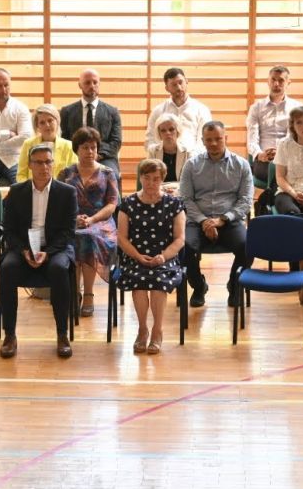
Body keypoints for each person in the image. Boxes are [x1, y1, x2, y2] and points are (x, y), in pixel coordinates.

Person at [0, 143, 79, 359]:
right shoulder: (16, 192)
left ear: (53, 164)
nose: (44, 166)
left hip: (55, 248)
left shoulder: (67, 192)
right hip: (24, 246)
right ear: (30, 165)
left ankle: (62, 334)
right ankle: (10, 335)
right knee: (7, 268)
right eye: (39, 162)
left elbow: (68, 232)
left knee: (59, 269)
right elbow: (9, 230)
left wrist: (48, 253)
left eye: (48, 162)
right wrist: (24, 251)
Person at [180, 121, 254, 308]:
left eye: (218, 139)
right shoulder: (191, 165)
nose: (213, 143)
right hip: (198, 221)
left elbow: (246, 200)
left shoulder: (241, 165)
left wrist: (222, 219)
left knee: (248, 246)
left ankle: (234, 285)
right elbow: (186, 199)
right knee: (185, 247)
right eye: (209, 140)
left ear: (226, 139)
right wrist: (205, 221)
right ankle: (198, 287)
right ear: (203, 141)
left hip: (229, 220)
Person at [116, 158, 186, 354]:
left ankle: (157, 330)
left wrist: (163, 257)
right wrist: (138, 256)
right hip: (135, 256)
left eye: (156, 179)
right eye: (146, 178)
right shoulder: (128, 203)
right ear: (140, 178)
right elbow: (121, 238)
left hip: (165, 257)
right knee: (138, 284)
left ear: (162, 180)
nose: (150, 183)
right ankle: (142, 329)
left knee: (157, 283)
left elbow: (180, 239)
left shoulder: (174, 204)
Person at [59, 127, 119, 317]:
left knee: (89, 236)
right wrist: (73, 219)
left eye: (93, 147)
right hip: (72, 220)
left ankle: (89, 294)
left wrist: (92, 219)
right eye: (85, 147)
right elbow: (58, 203)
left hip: (101, 221)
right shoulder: (65, 174)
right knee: (74, 237)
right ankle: (74, 292)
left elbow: (112, 204)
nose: (90, 152)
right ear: (77, 149)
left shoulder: (108, 173)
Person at [246, 64, 303, 188]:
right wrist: (260, 154)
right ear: (268, 81)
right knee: (273, 169)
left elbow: (294, 137)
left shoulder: (297, 108)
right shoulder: (256, 108)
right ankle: (275, 201)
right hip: (263, 160)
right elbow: (252, 139)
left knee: (286, 169)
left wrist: (281, 152)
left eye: (281, 80)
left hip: (288, 159)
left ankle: (269, 200)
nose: (276, 84)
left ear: (288, 83)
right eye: (273, 80)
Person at [59, 68, 124, 173]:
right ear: (80, 85)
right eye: (87, 83)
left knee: (113, 175)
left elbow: (116, 141)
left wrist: (97, 154)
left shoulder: (112, 112)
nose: (92, 86)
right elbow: (64, 139)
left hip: (104, 157)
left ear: (99, 84)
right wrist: (80, 153)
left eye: (95, 82)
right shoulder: (67, 111)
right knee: (64, 175)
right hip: (74, 156)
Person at [145, 67, 213, 157]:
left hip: (194, 160)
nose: (179, 87)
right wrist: (158, 154)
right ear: (167, 88)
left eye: (181, 82)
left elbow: (205, 139)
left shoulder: (202, 110)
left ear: (186, 81)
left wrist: (192, 158)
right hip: (163, 160)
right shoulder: (158, 111)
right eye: (174, 84)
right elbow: (150, 139)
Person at [272, 106, 303, 217]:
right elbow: (280, 177)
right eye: (299, 123)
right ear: (292, 126)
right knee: (291, 214)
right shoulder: (284, 144)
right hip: (288, 192)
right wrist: (294, 193)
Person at [16, 104, 78, 182]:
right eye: (42, 123)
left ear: (57, 121)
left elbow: (73, 175)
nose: (47, 125)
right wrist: (30, 189)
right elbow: (21, 175)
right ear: (37, 126)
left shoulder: (69, 146)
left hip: (60, 191)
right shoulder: (28, 144)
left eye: (50, 120)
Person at [146, 114, 190, 184]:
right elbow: (150, 177)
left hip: (180, 190)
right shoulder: (153, 151)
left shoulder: (187, 152)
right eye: (163, 130)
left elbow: (188, 179)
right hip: (158, 190)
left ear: (178, 131)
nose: (168, 133)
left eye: (171, 129)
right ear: (159, 134)